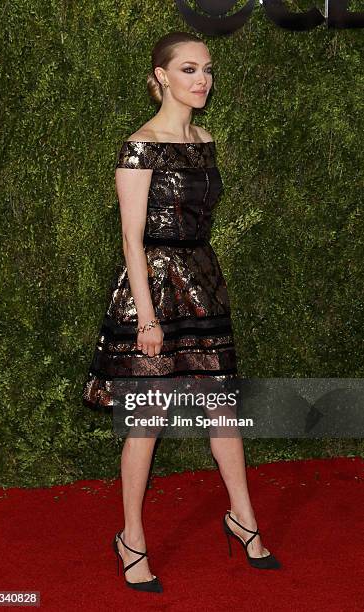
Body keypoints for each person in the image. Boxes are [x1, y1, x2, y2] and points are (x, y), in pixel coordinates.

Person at [83, 31, 281, 593]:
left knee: (223, 411)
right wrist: (147, 319)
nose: (202, 80)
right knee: (147, 421)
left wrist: (206, 287)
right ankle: (131, 538)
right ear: (161, 76)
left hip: (204, 285)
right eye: (189, 69)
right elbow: (131, 239)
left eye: (208, 70)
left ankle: (244, 522)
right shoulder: (139, 146)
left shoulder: (204, 139)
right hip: (153, 291)